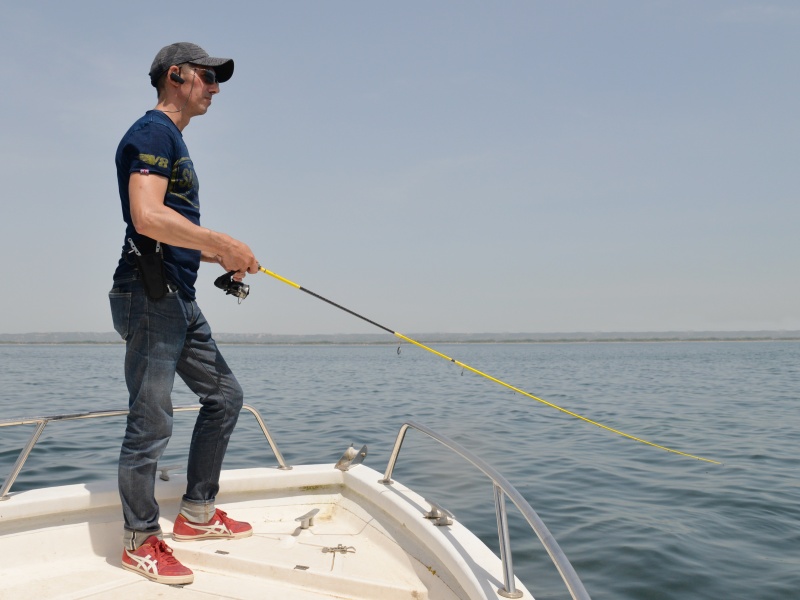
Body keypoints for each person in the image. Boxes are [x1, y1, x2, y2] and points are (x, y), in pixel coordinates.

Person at [109, 42, 259, 586]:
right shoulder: (152, 133)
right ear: (176, 75)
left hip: (178, 295)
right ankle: (140, 540)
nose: (215, 87)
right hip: (150, 297)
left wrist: (218, 253)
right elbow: (146, 217)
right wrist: (221, 239)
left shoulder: (171, 141)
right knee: (151, 420)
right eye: (207, 76)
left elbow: (169, 231)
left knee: (225, 397)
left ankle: (196, 513)